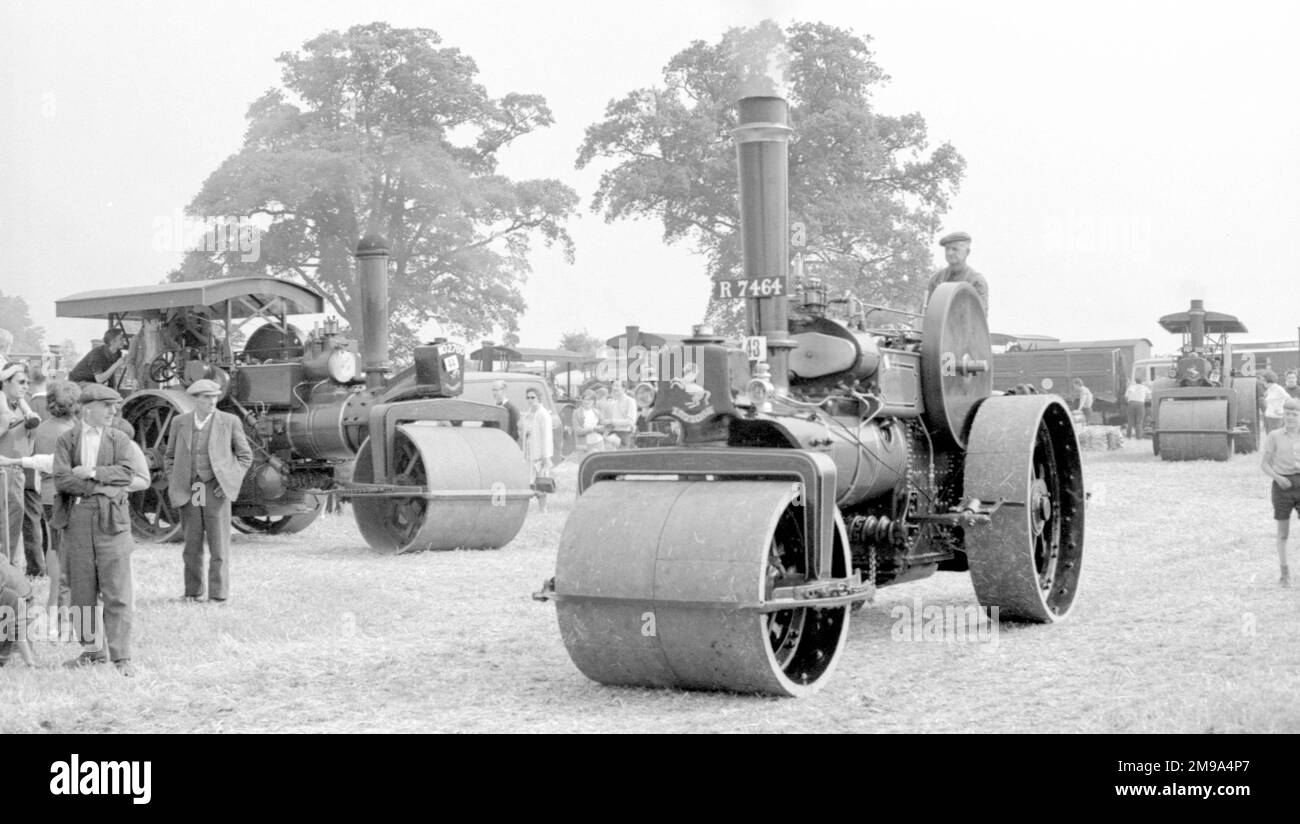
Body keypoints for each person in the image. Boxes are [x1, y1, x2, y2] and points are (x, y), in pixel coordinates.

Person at [52, 384, 148, 676]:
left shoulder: (119, 438)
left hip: (112, 520)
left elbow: (128, 473)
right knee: (82, 589)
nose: (112, 411)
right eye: (107, 406)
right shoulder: (67, 441)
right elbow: (62, 480)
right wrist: (102, 487)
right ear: (87, 408)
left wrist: (92, 473)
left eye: (114, 406)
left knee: (117, 589)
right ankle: (92, 650)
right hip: (78, 517)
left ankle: (121, 657)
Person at [164, 380, 253, 604]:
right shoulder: (180, 422)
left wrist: (228, 483)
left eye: (214, 397)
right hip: (194, 489)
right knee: (192, 544)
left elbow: (245, 456)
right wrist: (176, 479)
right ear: (196, 399)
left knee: (219, 545)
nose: (212, 402)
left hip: (216, 490)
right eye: (206, 398)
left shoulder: (229, 421)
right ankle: (192, 593)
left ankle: (218, 595)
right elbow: (170, 457)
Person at [0, 381, 80, 615]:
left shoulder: (42, 428)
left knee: (54, 548)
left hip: (45, 492)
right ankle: (58, 604)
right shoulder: (70, 432)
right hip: (65, 494)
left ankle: (56, 602)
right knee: (66, 550)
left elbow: (33, 458)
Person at [0, 362, 39, 567]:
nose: (26, 387)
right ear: (5, 382)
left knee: (11, 529)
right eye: (21, 382)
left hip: (15, 474)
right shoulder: (4, 408)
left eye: (28, 383)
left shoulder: (19, 407)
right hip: (4, 474)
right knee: (5, 529)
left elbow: (29, 447)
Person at [1261, 398, 1300, 587]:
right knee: (1283, 533)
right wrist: (1278, 478)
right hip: (1282, 486)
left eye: (1295, 414)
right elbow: (1264, 465)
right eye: (1288, 414)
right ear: (1283, 415)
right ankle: (1284, 573)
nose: (1291, 418)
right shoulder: (1274, 435)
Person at [925, 231, 989, 314]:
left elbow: (979, 318)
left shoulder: (976, 281)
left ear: (967, 252)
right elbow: (928, 313)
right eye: (947, 249)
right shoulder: (936, 279)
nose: (949, 253)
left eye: (955, 249)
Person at [520, 389, 554, 513]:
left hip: (540, 453)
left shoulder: (543, 414)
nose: (530, 400)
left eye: (532, 397)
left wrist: (546, 456)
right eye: (528, 397)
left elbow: (546, 436)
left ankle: (543, 509)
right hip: (529, 452)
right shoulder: (528, 413)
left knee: (542, 482)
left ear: (538, 398)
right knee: (529, 481)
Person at [607, 381, 637, 449]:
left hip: (625, 435)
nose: (614, 388)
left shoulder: (630, 401)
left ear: (624, 388)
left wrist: (612, 421)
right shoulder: (613, 403)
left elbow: (630, 421)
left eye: (617, 386)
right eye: (613, 386)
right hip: (612, 435)